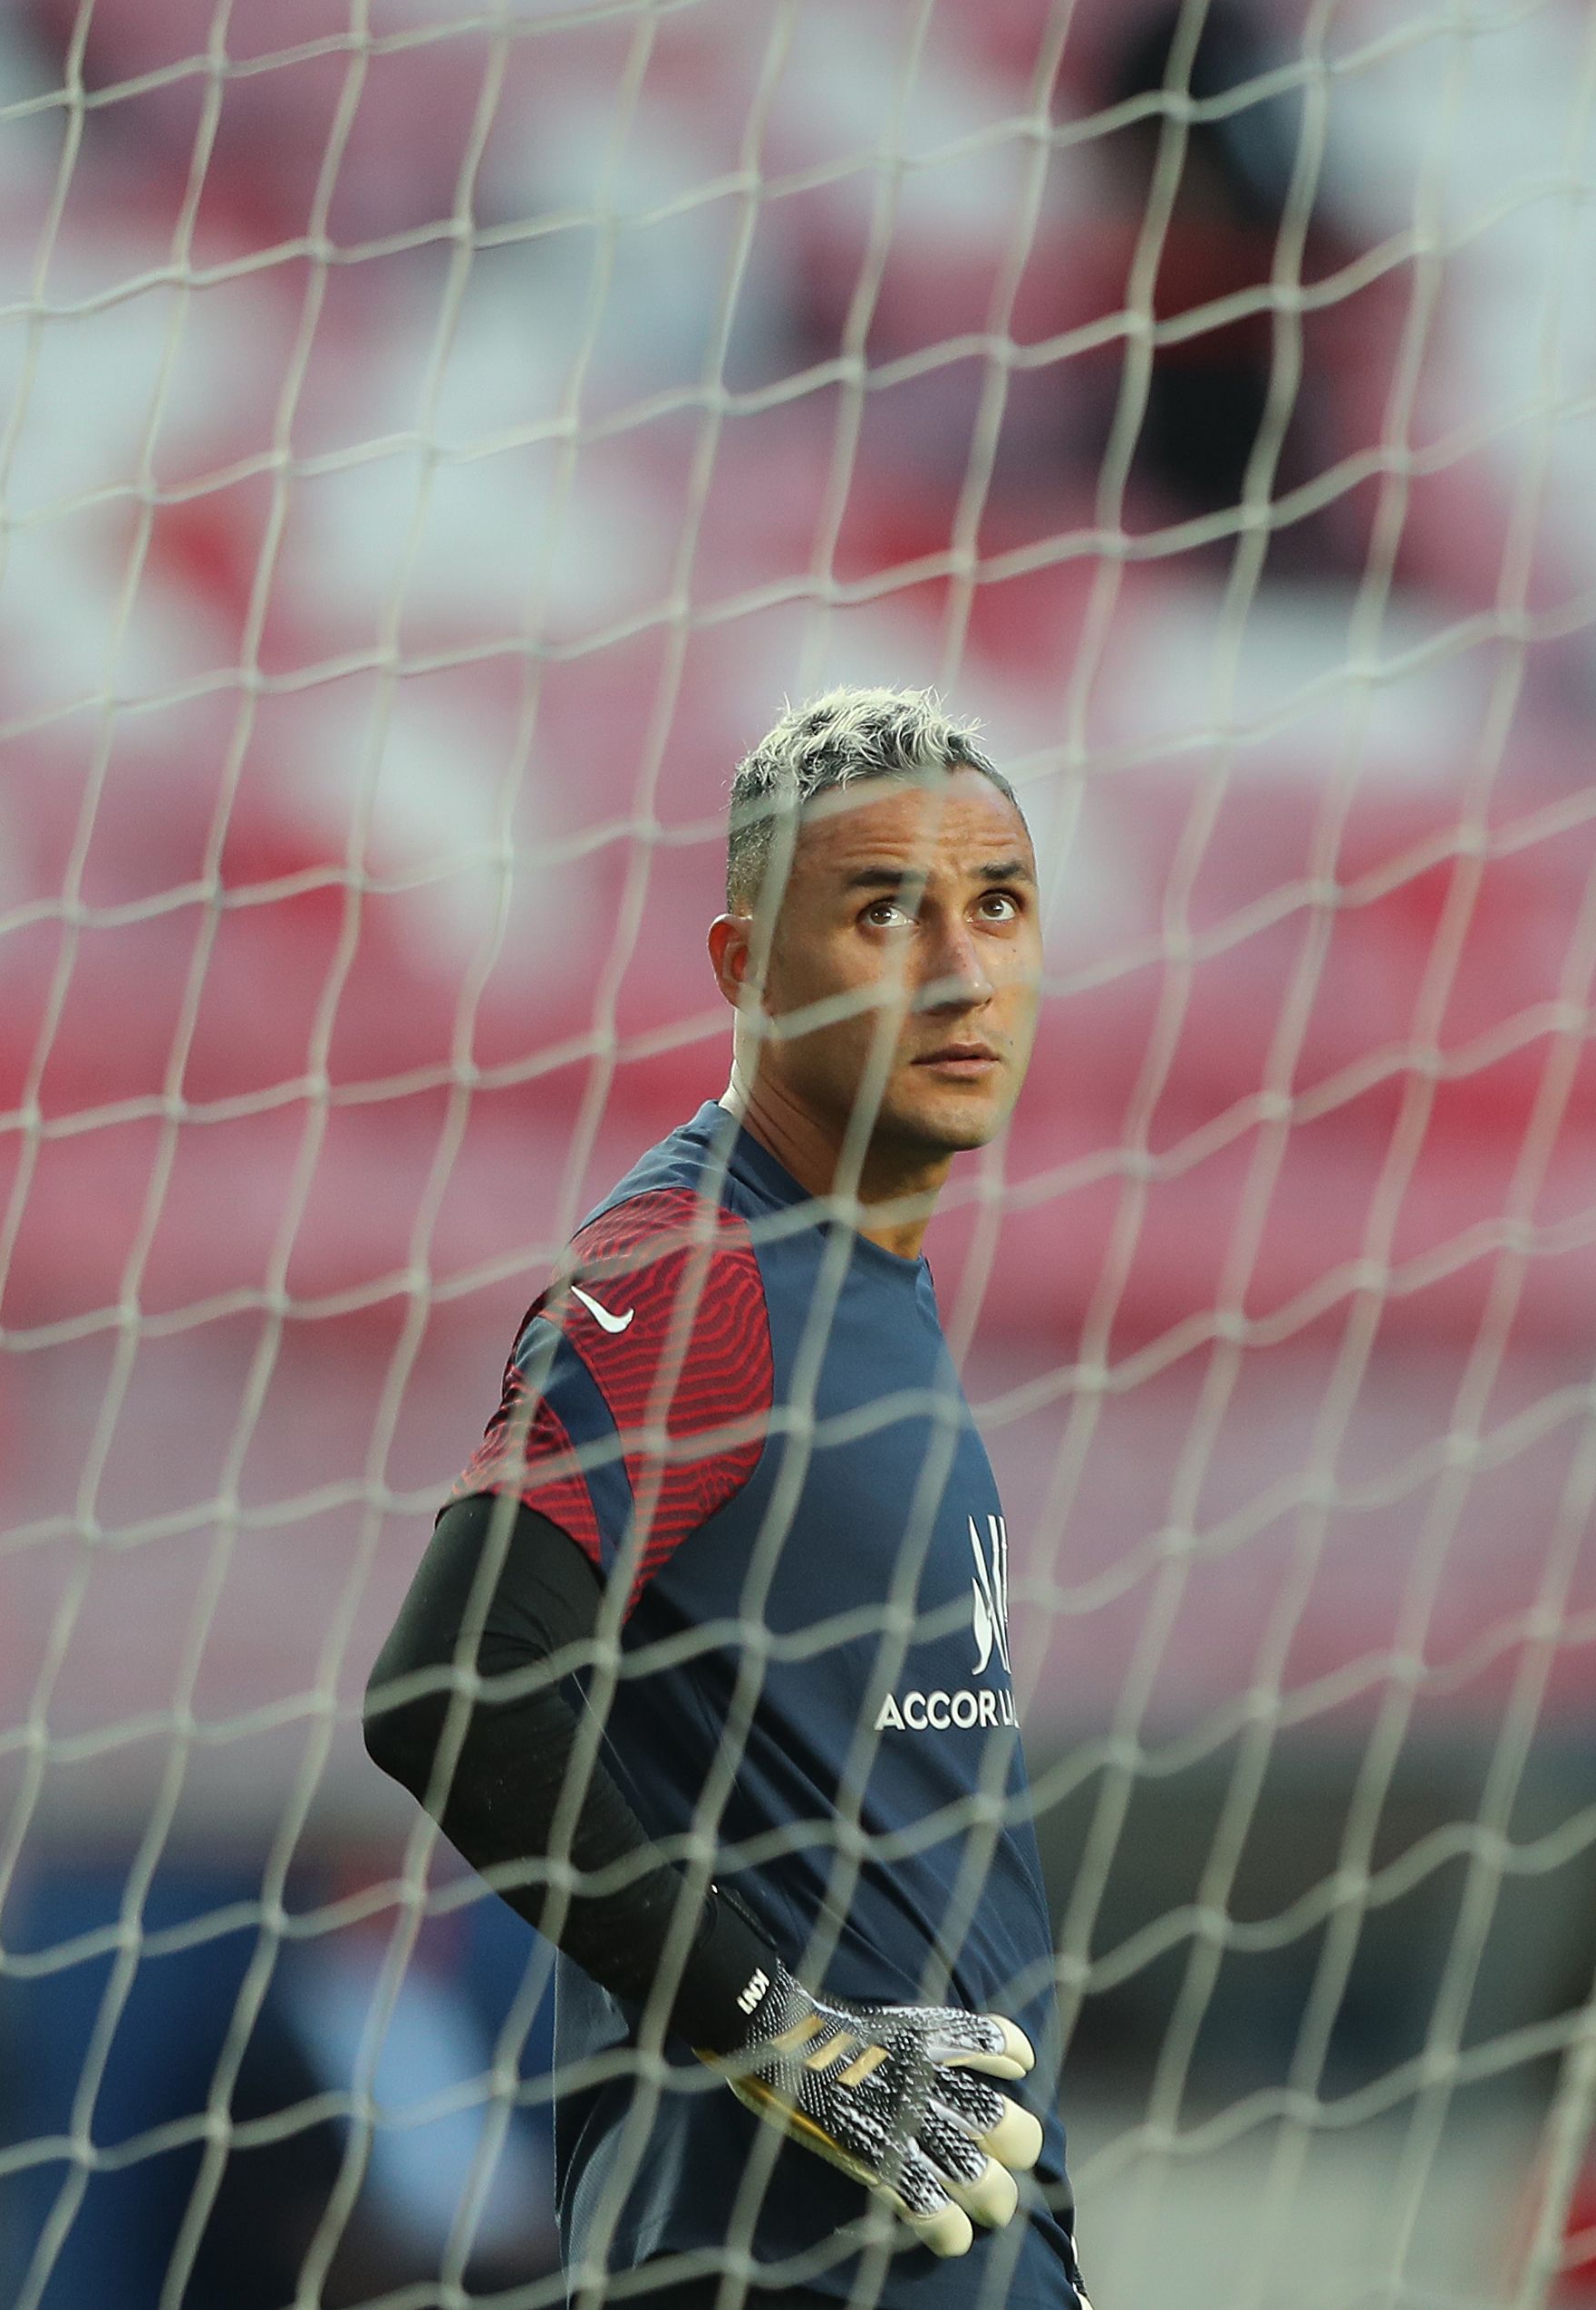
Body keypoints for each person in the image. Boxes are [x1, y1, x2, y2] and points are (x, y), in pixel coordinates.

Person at [363, 689, 1087, 2310]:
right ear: (743, 962)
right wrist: (783, 2030)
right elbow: (455, 1688)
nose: (963, 970)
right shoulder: (702, 1270)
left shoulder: (865, 1285)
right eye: (883, 909)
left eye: (999, 905)